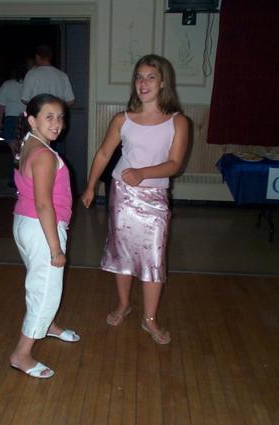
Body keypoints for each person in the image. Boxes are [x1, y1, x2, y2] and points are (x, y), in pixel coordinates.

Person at [81, 54, 189, 345]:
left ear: (163, 82)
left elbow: (175, 163)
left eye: (151, 77)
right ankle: (123, 304)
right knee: (122, 253)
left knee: (154, 258)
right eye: (139, 77)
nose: (143, 83)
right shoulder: (123, 119)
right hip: (122, 195)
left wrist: (143, 173)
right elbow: (104, 154)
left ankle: (149, 319)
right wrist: (90, 186)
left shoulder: (178, 121)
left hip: (154, 196)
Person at [10, 94, 80, 379]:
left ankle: (47, 325)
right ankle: (21, 354)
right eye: (49, 117)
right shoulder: (45, 157)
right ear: (32, 120)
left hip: (24, 223)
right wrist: (55, 249)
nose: (57, 123)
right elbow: (43, 204)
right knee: (45, 291)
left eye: (60, 117)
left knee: (39, 280)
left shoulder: (28, 143)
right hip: (41, 228)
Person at [0, 61, 29, 187]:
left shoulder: (7, 85)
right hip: (26, 120)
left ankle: (15, 181)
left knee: (15, 153)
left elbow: (0, 106)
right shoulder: (30, 85)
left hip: (11, 120)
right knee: (24, 153)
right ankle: (21, 181)